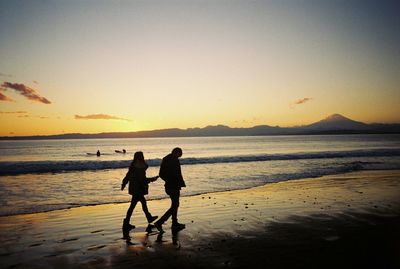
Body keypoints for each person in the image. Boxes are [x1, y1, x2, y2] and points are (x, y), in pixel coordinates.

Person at [121, 151, 159, 234]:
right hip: (137, 189)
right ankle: (126, 223)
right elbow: (141, 179)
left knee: (139, 204)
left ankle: (128, 222)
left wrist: (124, 183)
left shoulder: (135, 165)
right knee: (135, 205)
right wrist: (152, 179)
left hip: (137, 188)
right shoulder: (138, 166)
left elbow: (128, 176)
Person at [154, 147, 186, 232]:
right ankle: (160, 222)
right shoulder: (172, 159)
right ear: (177, 152)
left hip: (171, 185)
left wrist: (169, 181)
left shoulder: (168, 159)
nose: (180, 155)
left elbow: (161, 174)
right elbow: (172, 173)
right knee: (175, 205)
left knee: (175, 204)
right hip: (172, 185)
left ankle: (174, 223)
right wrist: (171, 180)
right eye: (180, 153)